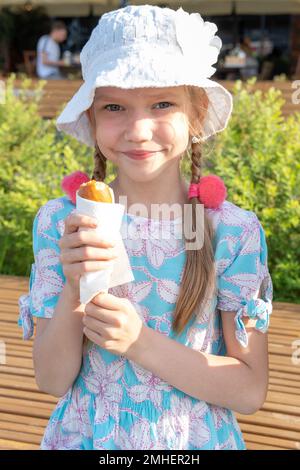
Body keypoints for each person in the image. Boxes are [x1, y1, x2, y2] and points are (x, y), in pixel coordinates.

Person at [18, 5, 273, 450]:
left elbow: (249, 390)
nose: (138, 130)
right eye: (114, 106)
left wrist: (139, 343)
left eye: (162, 104)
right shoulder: (63, 222)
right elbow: (51, 378)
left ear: (195, 116)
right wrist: (75, 287)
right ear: (92, 119)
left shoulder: (228, 231)